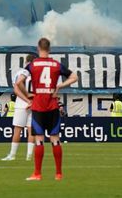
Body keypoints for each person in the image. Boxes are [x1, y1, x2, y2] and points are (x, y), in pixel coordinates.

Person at [24, 38, 78, 181]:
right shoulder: (56, 64)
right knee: (55, 140)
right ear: (49, 49)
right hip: (52, 105)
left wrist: (28, 96)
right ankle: (58, 174)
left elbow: (18, 82)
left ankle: (37, 173)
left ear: (38, 48)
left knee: (39, 140)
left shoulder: (32, 65)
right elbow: (74, 77)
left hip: (38, 106)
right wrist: (60, 86)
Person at [3, 54, 36, 162]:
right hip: (34, 104)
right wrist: (32, 101)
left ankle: (12, 155)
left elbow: (16, 90)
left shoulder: (20, 73)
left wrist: (26, 100)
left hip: (22, 103)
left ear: (26, 61)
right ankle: (29, 156)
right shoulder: (37, 73)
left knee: (17, 130)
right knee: (31, 131)